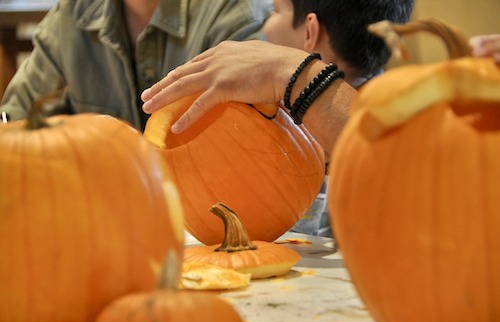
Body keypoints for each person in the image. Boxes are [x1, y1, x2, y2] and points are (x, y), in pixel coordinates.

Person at [142, 0, 415, 236]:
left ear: (311, 31)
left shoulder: (408, 129)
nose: (265, 29)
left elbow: (410, 180)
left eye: (274, 12)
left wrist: (291, 70)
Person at [0, 0, 273, 131]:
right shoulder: (71, 15)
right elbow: (13, 121)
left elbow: (254, 148)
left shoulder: (236, 15)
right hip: (96, 219)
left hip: (207, 223)